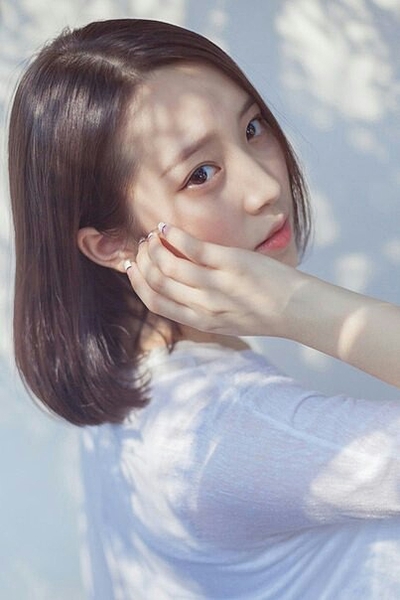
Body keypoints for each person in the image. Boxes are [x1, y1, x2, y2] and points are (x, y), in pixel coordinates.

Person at [8, 18, 400, 600]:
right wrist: (299, 307)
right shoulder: (227, 429)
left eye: (252, 127)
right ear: (112, 245)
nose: (264, 186)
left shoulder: (133, 382)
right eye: (200, 174)